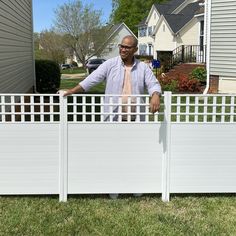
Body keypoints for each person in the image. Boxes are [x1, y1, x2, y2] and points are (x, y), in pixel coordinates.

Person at [62, 35, 162, 198]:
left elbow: (153, 84)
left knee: (135, 152)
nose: (123, 49)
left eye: (127, 47)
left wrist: (155, 95)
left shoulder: (143, 68)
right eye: (121, 46)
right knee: (113, 152)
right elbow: (91, 80)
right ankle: (113, 186)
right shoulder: (110, 64)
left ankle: (135, 185)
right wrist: (72, 91)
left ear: (135, 49)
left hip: (135, 119)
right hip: (113, 117)